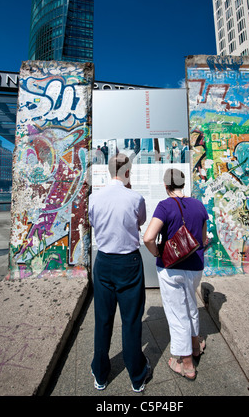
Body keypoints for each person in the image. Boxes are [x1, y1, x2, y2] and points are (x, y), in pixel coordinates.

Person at [88, 153, 152, 392]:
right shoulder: (135, 197)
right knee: (131, 320)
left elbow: (94, 223)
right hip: (129, 262)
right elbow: (140, 223)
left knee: (103, 320)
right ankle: (137, 376)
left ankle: (101, 374)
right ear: (127, 172)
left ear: (108, 170)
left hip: (104, 261)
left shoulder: (94, 198)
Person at [143, 168, 208, 381]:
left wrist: (158, 252)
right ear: (183, 183)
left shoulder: (165, 206)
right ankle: (196, 344)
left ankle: (187, 364)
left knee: (177, 314)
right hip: (195, 266)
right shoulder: (199, 205)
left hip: (171, 268)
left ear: (165, 186)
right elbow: (203, 239)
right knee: (191, 307)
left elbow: (148, 238)